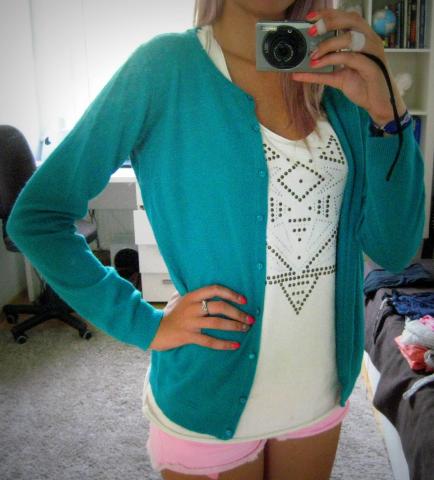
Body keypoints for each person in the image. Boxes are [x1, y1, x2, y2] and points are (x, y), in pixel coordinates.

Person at [6, 0, 425, 479]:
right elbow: (38, 217)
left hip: (319, 396)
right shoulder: (164, 69)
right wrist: (143, 323)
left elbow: (393, 248)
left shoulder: (334, 79)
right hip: (207, 398)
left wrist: (387, 114)